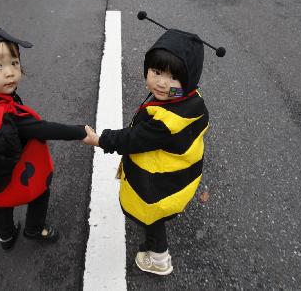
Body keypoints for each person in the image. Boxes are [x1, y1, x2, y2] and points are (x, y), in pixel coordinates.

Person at [0, 26, 87, 250]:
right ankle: (34, 228)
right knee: (40, 190)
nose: (9, 72)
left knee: (0, 202)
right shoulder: (10, 117)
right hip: (12, 167)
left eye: (14, 62)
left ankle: (6, 235)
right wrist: (81, 132)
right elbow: (43, 129)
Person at [83, 28, 211, 275]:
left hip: (159, 182)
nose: (162, 83)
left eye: (174, 78)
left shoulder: (166, 121)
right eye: (156, 72)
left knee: (152, 217)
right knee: (159, 212)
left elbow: (134, 138)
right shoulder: (190, 99)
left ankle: (159, 258)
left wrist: (100, 139)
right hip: (180, 173)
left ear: (189, 80)